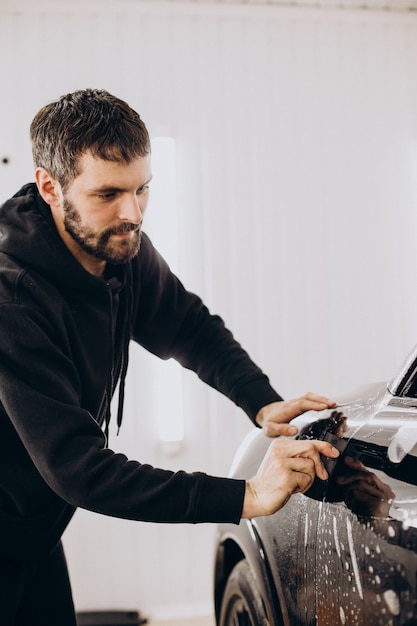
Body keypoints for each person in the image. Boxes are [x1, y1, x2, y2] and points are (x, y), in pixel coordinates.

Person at [0, 88, 339, 625]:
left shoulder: (116, 245)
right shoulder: (12, 297)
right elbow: (80, 469)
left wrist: (260, 402)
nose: (131, 214)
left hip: (33, 532)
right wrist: (246, 495)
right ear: (49, 186)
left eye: (143, 190)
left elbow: (188, 328)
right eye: (109, 193)